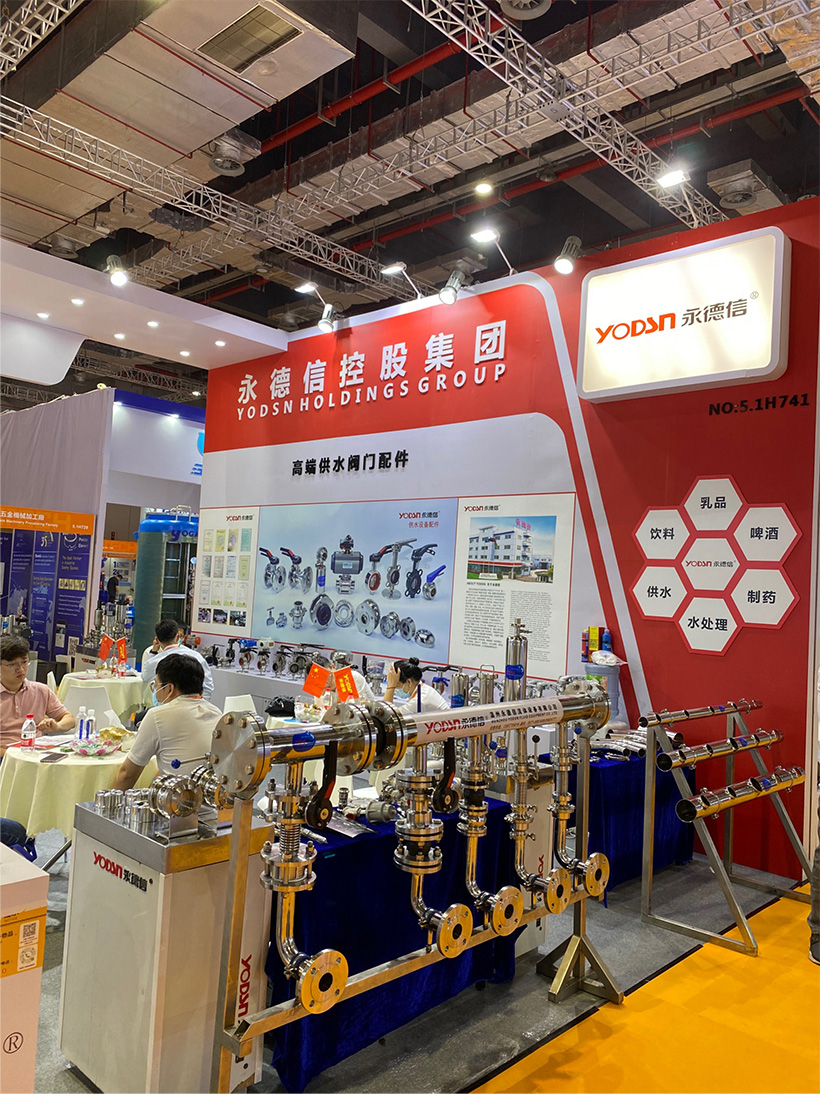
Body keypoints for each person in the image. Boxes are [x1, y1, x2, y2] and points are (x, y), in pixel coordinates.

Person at [112, 654, 221, 790]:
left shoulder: (157, 716)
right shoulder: (216, 712)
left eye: (156, 685)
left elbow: (127, 774)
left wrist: (111, 800)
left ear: (169, 689)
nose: (155, 692)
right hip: (213, 798)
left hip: (177, 799)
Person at [0, 636, 76, 756]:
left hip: (35, 753)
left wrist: (57, 726)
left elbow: (70, 719)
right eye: (12, 664)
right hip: (5, 756)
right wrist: (12, 756)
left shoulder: (40, 690)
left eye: (24, 662)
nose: (20, 669)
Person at [141, 618, 214, 700]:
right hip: (195, 704)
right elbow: (208, 686)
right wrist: (200, 703)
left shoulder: (155, 661)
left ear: (157, 640)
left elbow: (145, 677)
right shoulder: (196, 656)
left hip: (167, 705)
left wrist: (153, 652)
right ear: (178, 636)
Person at [384, 658, 448, 714]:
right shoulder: (423, 689)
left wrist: (390, 687)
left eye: (396, 685)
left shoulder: (419, 701)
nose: (395, 691)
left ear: (409, 682)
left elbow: (387, 717)